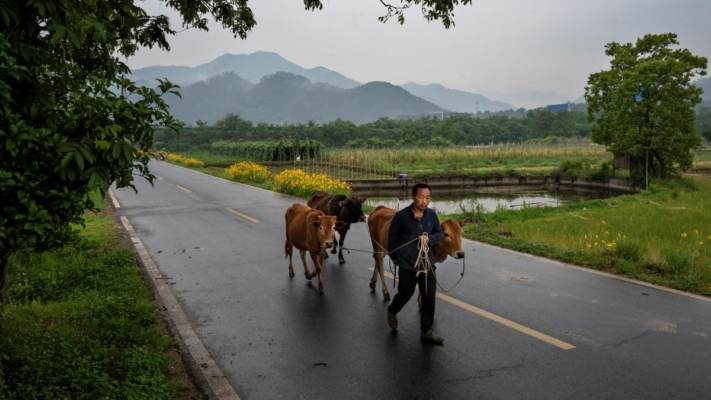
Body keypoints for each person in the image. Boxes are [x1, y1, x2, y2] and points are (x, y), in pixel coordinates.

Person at [386, 183, 444, 344]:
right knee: (406, 293)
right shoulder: (401, 217)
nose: (424, 201)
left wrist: (429, 239)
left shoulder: (432, 215)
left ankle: (426, 331)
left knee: (429, 297)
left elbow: (438, 233)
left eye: (427, 198)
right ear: (413, 197)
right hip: (408, 264)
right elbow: (392, 239)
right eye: (421, 197)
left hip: (427, 264)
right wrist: (395, 257)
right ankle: (392, 310)